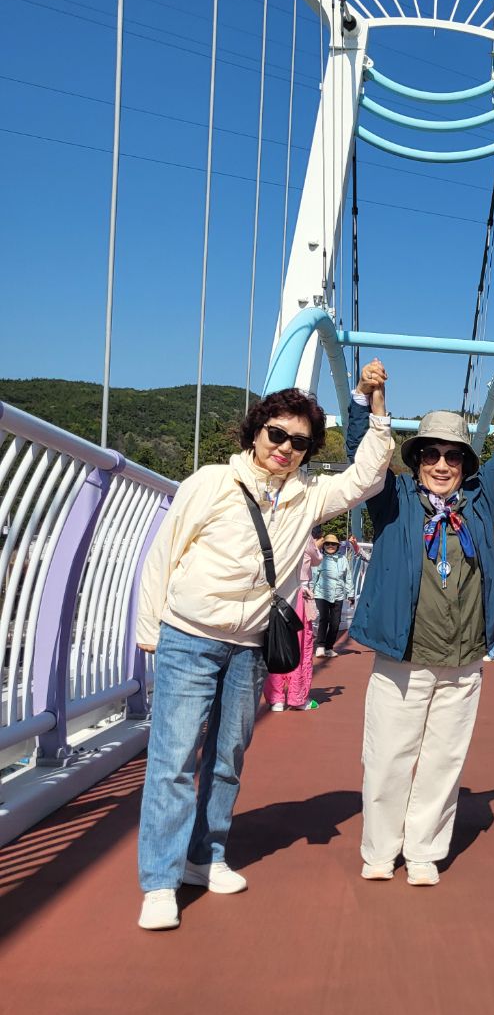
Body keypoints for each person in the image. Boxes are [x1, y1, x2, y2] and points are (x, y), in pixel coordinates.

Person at [134, 379, 393, 931]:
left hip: (251, 644)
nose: (285, 448)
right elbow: (164, 552)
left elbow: (368, 477)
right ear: (256, 432)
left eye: (299, 442)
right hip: (190, 635)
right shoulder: (212, 482)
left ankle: (205, 856)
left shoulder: (308, 496)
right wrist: (149, 630)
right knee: (174, 760)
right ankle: (159, 881)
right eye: (277, 434)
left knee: (227, 758)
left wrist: (374, 407)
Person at [347, 364, 494, 886]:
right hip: (403, 655)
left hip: (462, 661)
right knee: (388, 757)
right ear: (417, 459)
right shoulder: (393, 498)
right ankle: (380, 848)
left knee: (443, 760)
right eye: (432, 454)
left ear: (465, 463)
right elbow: (362, 453)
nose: (442, 464)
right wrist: (364, 400)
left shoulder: (478, 503)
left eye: (453, 455)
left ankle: (423, 850)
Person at [264, 534, 322, 711]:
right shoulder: (304, 534)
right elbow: (317, 559)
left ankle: (276, 698)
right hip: (299, 597)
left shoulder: (274, 531)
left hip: (277, 596)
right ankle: (298, 697)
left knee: (276, 644)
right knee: (301, 646)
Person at [312, 531, 357, 658]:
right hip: (322, 594)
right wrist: (310, 593)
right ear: (324, 545)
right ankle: (320, 646)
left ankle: (329, 647)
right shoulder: (320, 558)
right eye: (327, 544)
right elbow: (314, 576)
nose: (330, 546)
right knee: (324, 618)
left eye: (333, 544)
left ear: (337, 546)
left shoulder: (343, 559)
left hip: (338, 594)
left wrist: (351, 594)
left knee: (335, 622)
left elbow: (348, 577)